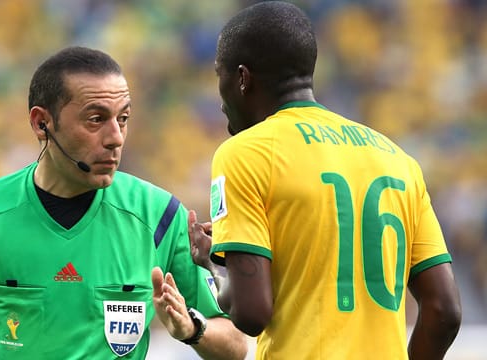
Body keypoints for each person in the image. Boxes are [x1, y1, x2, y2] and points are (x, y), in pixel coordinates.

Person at [0, 46, 247, 360]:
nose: (115, 138)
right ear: (42, 123)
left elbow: (234, 345)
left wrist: (192, 329)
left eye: (122, 119)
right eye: (96, 119)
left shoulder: (161, 217)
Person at [187, 2, 462, 359]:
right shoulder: (398, 159)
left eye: (218, 74)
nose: (220, 97)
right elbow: (444, 311)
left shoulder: (245, 153)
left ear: (242, 78)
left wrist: (213, 262)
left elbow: (250, 313)